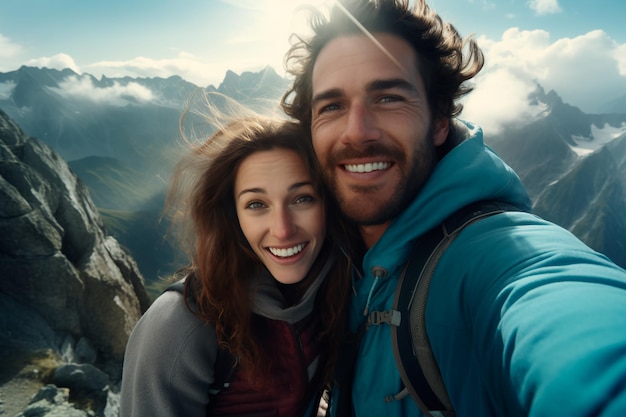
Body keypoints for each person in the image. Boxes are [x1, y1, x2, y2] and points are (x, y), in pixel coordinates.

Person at [280, 0, 626, 416]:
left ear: (440, 120)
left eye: (388, 97)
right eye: (331, 106)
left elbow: (559, 304)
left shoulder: (494, 256)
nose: (357, 131)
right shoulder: (317, 253)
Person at [119, 114, 352, 416]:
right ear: (233, 217)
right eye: (257, 204)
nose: (282, 229)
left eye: (302, 199)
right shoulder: (179, 325)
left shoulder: (338, 289)